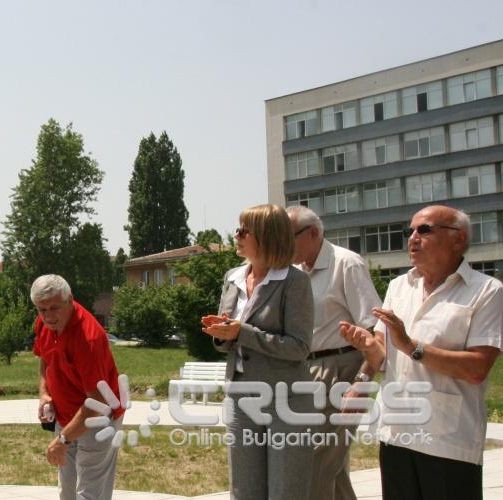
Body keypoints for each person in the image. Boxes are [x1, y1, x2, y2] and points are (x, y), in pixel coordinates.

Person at [340, 205, 502, 500]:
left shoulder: (487, 291)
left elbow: (478, 368)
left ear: (458, 239)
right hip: (396, 432)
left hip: (447, 440)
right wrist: (365, 356)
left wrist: (413, 347)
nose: (412, 237)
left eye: (424, 230)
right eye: (409, 231)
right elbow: (381, 351)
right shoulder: (399, 286)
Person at [201, 204, 314, 500]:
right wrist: (221, 334)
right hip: (240, 395)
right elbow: (230, 336)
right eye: (237, 228)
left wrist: (242, 333)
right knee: (244, 491)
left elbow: (299, 347)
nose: (236, 235)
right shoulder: (233, 277)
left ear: (266, 235)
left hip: (286, 400)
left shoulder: (295, 281)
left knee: (285, 491)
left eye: (243, 230)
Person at [287, 205, 381, 500]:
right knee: (332, 466)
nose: (283, 245)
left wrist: (362, 382)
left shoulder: (347, 264)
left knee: (317, 460)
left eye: (288, 236)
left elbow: (374, 328)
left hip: (342, 368)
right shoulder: (295, 272)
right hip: (307, 370)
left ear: (313, 232)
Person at [31, 274, 125, 500]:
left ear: (70, 299)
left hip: (98, 419)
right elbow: (45, 357)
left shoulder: (88, 339)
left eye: (54, 308)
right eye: (42, 310)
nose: (48, 316)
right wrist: (44, 394)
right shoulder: (45, 324)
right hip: (67, 417)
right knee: (68, 492)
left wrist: (63, 440)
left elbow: (96, 403)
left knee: (90, 494)